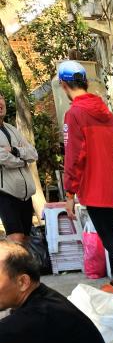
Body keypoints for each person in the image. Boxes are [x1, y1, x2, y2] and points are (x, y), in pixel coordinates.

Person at [58, 60, 113, 307]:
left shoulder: (74, 114)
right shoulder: (104, 110)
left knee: (109, 239)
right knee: (111, 233)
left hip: (92, 185)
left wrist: (69, 193)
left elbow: (74, 155)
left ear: (63, 85)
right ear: (85, 82)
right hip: (108, 182)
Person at [0, 91, 38, 245]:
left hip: (26, 195)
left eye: (0, 98)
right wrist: (22, 160)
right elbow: (2, 157)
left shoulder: (12, 129)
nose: (0, 103)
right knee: (16, 239)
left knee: (26, 240)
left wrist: (14, 150)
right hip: (6, 193)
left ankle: (20, 263)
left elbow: (33, 153)